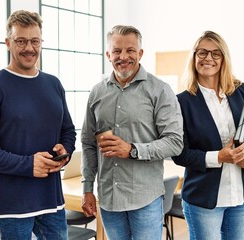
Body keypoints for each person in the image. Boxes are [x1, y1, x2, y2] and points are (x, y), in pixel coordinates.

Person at [0, 10, 76, 240]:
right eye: (21, 41)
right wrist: (27, 165)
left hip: (52, 200)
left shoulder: (53, 84)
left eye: (35, 41)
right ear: (8, 43)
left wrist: (66, 150)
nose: (29, 48)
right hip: (14, 205)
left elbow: (68, 130)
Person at [80, 25, 184, 240]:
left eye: (130, 50)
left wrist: (132, 150)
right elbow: (88, 144)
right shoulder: (97, 92)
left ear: (140, 53)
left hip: (145, 199)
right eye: (117, 51)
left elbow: (174, 142)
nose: (123, 56)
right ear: (108, 54)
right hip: (109, 198)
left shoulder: (160, 90)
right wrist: (87, 187)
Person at [172, 30, 244, 240]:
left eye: (216, 53)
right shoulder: (181, 102)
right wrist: (218, 157)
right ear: (194, 57)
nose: (209, 58)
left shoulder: (241, 90)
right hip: (203, 200)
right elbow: (180, 154)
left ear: (224, 58)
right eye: (203, 52)